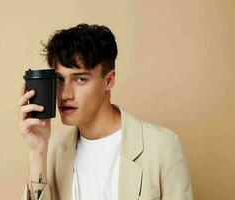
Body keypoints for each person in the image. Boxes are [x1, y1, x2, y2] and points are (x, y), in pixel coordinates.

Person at [18, 23, 193, 200]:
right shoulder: (53, 149)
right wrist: (38, 152)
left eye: (80, 79)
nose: (65, 95)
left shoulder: (162, 147)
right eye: (60, 80)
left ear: (109, 81)